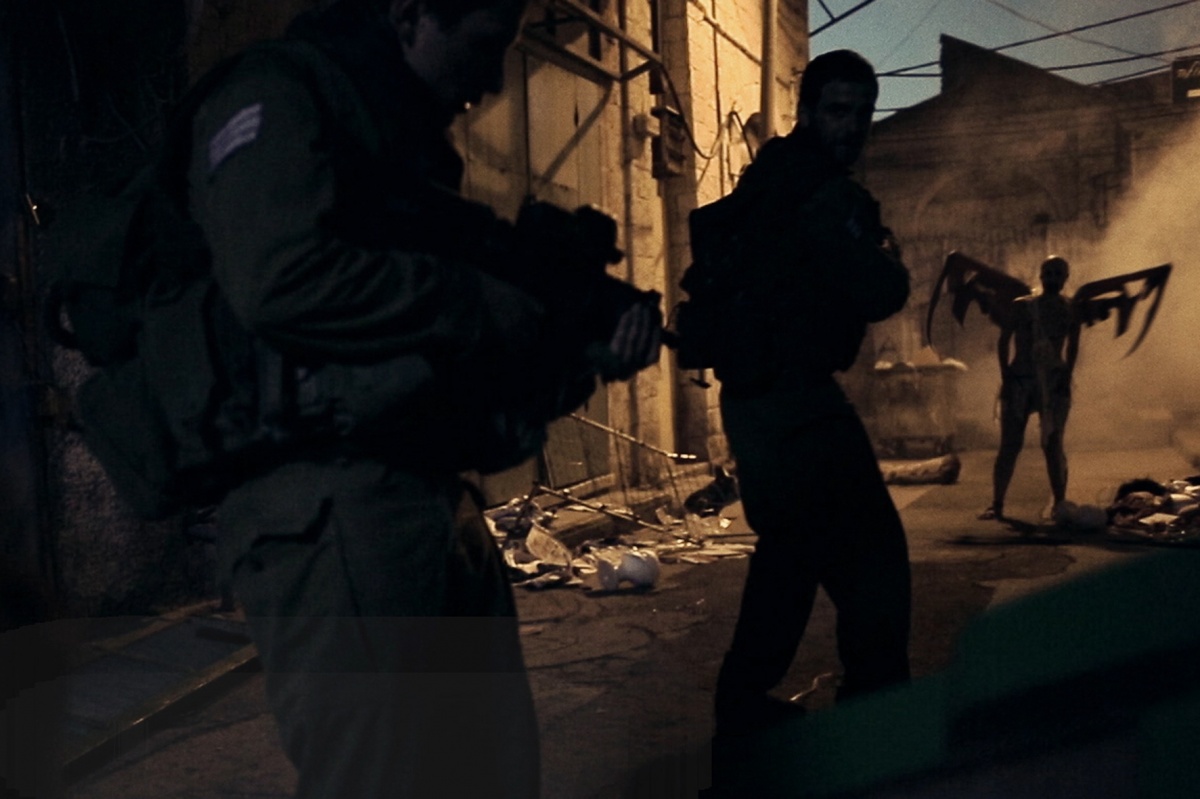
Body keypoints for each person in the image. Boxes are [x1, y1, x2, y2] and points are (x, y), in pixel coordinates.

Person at [183, 0, 661, 796]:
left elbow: (446, 360)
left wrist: (575, 353)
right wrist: (477, 300)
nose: (495, 78)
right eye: (486, 42)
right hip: (330, 502)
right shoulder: (280, 92)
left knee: (491, 769)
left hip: (427, 492)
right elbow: (279, 279)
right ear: (409, 13)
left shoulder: (404, 143)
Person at [709, 49, 912, 735]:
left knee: (792, 554)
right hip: (796, 404)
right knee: (876, 560)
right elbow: (883, 291)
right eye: (837, 111)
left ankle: (742, 706)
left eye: (862, 114)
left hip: (753, 402)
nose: (851, 127)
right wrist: (887, 254)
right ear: (806, 112)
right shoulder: (825, 194)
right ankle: (876, 716)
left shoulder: (770, 173)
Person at [979, 255, 1080, 522]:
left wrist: (1066, 377)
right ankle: (997, 504)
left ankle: (1059, 503)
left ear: (1065, 278)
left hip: (1053, 383)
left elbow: (1073, 345)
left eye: (1058, 273)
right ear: (1041, 275)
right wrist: (1006, 376)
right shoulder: (1022, 307)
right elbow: (1004, 340)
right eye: (1048, 272)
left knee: (1053, 445)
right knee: (1010, 445)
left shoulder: (1070, 309)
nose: (1052, 278)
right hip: (1021, 381)